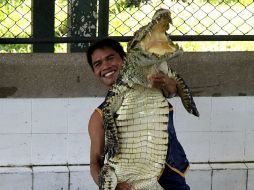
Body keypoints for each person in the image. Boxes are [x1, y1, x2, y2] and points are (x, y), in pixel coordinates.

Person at [87, 38, 190, 190]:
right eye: (98, 64)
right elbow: (95, 161)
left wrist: (164, 80)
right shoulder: (99, 116)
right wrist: (114, 187)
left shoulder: (153, 87)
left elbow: (173, 89)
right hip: (132, 184)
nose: (106, 66)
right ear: (95, 72)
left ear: (124, 59)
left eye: (110, 58)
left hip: (170, 176)